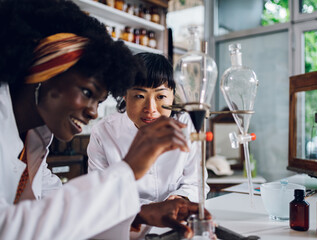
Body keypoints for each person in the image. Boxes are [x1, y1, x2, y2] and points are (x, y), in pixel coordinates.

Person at [0, 0, 210, 239]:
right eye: (87, 92)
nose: (93, 113)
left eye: (99, 102)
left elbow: (60, 211)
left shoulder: (33, 140)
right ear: (45, 69)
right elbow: (8, 228)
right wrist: (128, 170)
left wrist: (139, 215)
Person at [88, 52, 210, 206]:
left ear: (172, 95)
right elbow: (101, 192)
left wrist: (181, 198)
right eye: (140, 96)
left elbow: (196, 182)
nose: (150, 109)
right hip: (128, 221)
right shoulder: (103, 132)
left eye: (160, 97)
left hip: (176, 217)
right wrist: (149, 210)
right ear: (124, 95)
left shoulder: (187, 124)